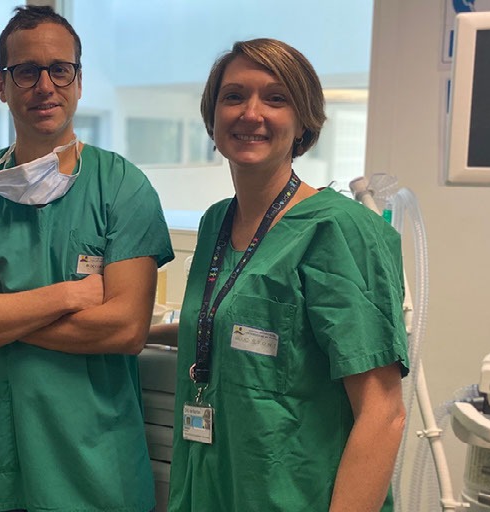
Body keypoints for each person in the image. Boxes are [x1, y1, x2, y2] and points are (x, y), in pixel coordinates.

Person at [0, 5, 173, 512]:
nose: (44, 86)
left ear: (79, 82)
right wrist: (70, 295)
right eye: (26, 71)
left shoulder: (122, 187)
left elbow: (126, 329)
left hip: (98, 453)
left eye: (60, 69)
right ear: (2, 85)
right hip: (7, 446)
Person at [153, 38, 408, 511]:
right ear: (212, 116)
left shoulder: (339, 231)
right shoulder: (215, 223)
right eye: (233, 96)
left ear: (303, 120)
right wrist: (138, 332)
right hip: (208, 488)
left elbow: (383, 413)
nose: (251, 113)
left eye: (275, 98)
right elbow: (232, 326)